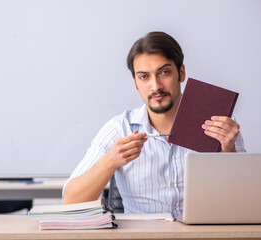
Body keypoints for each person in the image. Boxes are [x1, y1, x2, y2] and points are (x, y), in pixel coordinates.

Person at [62, 32, 245, 215]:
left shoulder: (220, 125)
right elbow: (70, 202)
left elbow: (244, 198)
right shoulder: (118, 129)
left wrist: (228, 151)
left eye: (164, 72)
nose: (156, 86)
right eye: (144, 77)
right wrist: (110, 161)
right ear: (135, 83)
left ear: (181, 73)